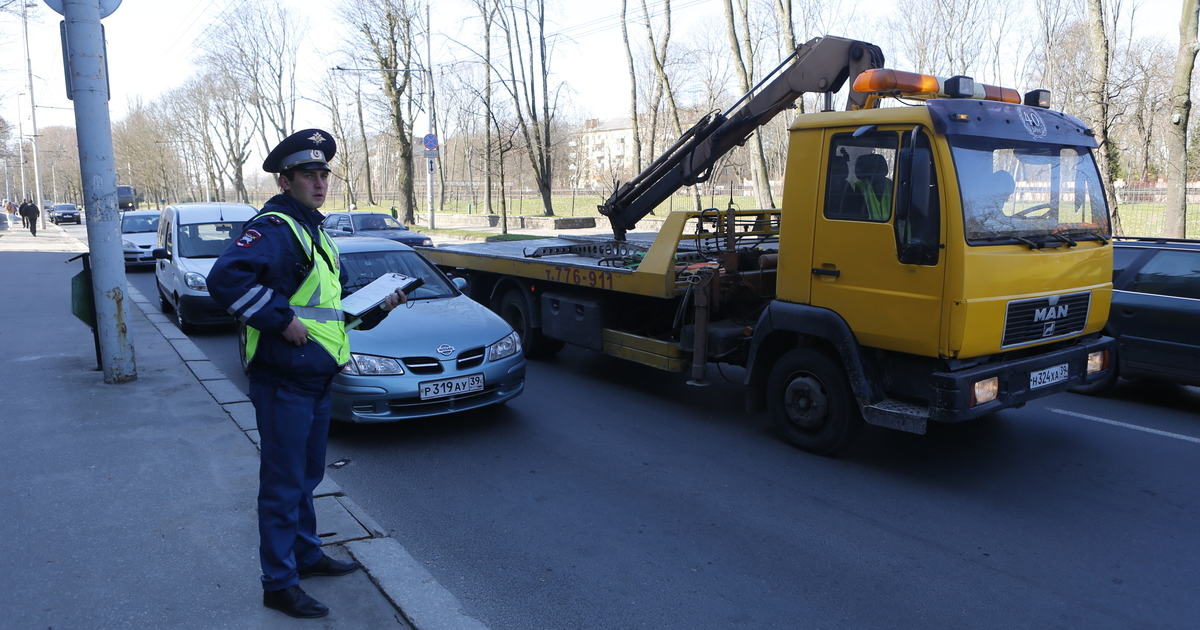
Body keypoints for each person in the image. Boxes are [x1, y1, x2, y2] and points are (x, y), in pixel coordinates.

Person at [207, 129, 405, 619]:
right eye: (308, 175)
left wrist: (378, 307)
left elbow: (326, 311)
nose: (319, 183)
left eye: (323, 174)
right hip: (283, 381)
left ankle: (307, 553)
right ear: (285, 179)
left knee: (306, 476)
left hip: (314, 377)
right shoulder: (275, 227)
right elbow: (223, 279)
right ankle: (278, 582)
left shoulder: (313, 229)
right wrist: (280, 319)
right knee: (282, 483)